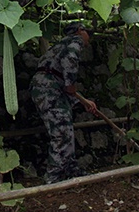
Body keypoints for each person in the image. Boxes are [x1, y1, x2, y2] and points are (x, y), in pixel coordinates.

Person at [29, 22, 98, 184]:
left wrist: (82, 101)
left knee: (65, 128)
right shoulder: (75, 41)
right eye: (88, 32)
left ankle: (70, 169)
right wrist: (71, 85)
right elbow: (70, 61)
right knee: (60, 131)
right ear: (80, 31)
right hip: (49, 88)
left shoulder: (60, 46)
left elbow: (62, 81)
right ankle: (53, 177)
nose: (89, 38)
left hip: (48, 87)